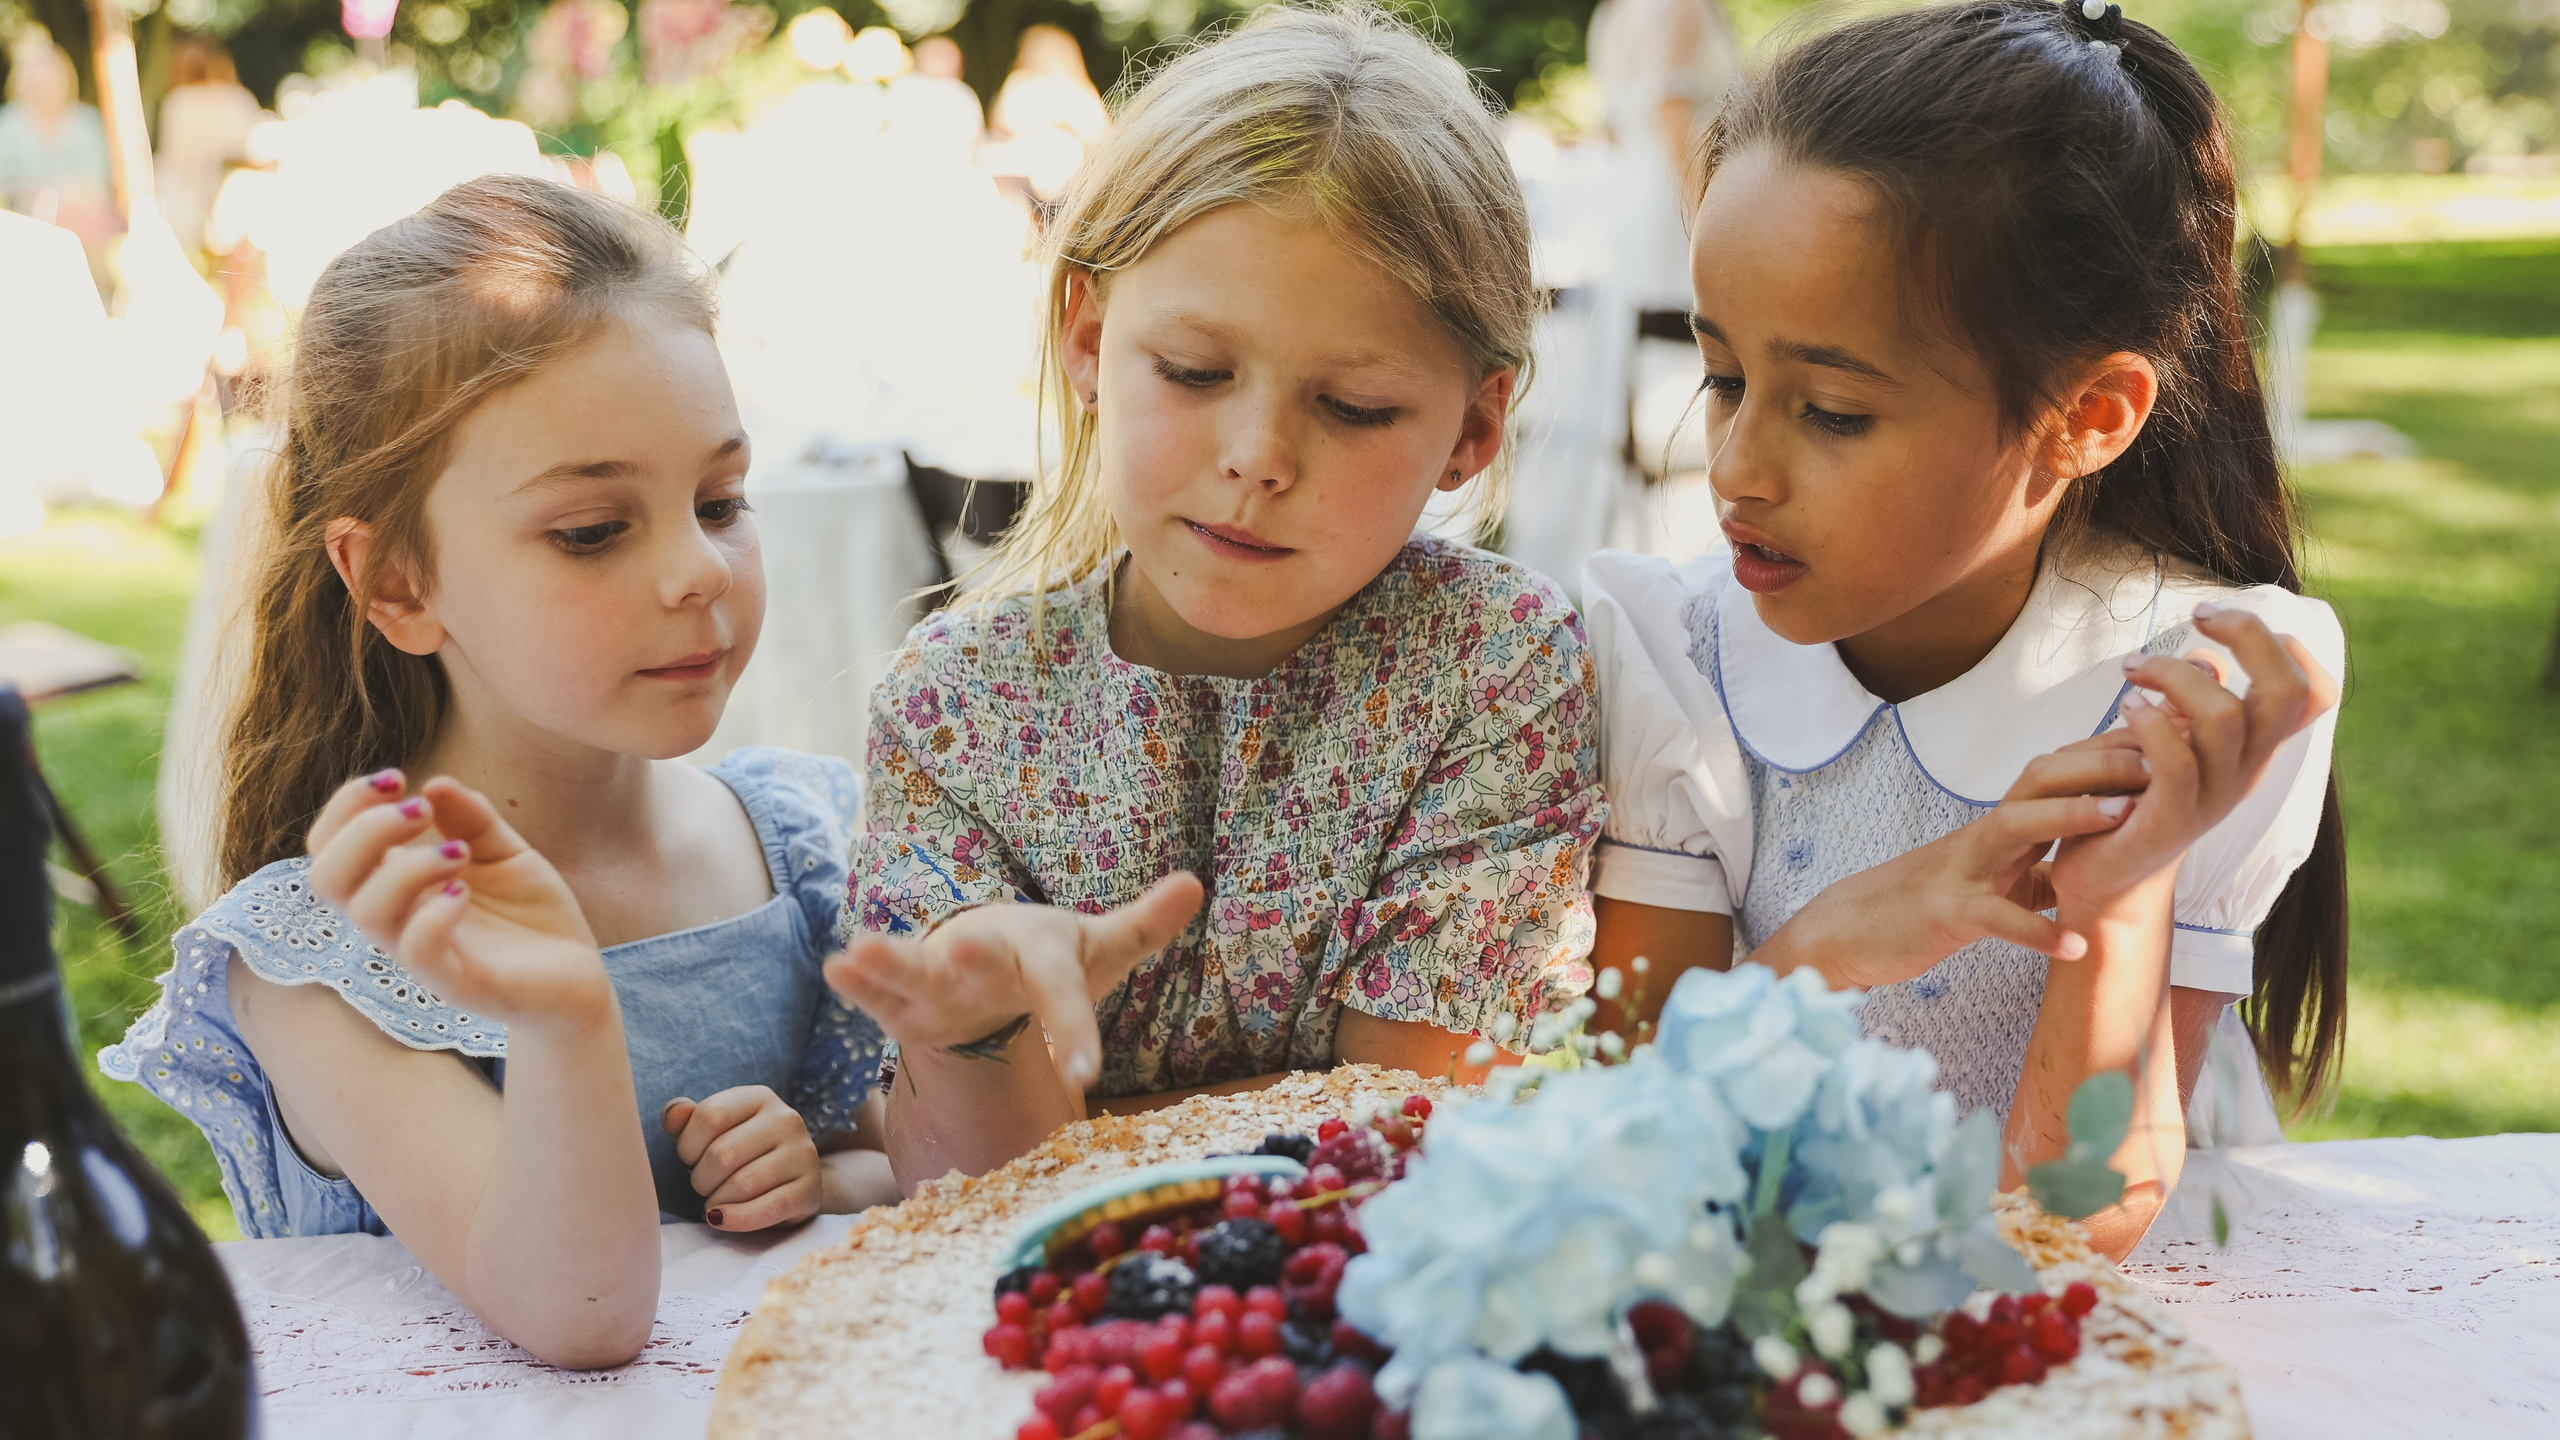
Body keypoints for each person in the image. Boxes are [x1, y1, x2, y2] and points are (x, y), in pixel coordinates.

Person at [1581, 1, 2347, 1261]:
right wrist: (1834, 942)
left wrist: (2116, 897)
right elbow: (1619, 1136)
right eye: (1724, 379)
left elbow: (2073, 1226)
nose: (1735, 470)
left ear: (2086, 416)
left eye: (1830, 411)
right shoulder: (1680, 660)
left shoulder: (2196, 693)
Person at [99, 175, 895, 1368]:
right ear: (397, 584)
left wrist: (823, 1175)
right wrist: (565, 1016)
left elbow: (916, 1163)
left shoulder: (795, 841)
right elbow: (577, 1313)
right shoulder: (321, 958)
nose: (699, 572)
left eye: (719, 499)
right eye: (591, 530)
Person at [826, 4, 1605, 1188]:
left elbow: (1414, 1119)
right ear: (1088, 340)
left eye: (1352, 407)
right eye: (1194, 372)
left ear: (1476, 425)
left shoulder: (1494, 664)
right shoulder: (954, 710)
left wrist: (1079, 1129)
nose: (1258, 457)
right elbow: (960, 1195)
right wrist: (977, 1043)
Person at [0, 34, 116, 271]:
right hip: (21, 219)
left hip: (82, 219)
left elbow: (97, 181)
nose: (44, 90)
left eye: (51, 81)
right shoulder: (8, 124)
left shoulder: (86, 123)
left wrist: (57, 195)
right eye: (37, 83)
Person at [154, 35, 263, 256]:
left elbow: (174, 161)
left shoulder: (178, 103)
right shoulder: (240, 99)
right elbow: (253, 153)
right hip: (238, 203)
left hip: (191, 203)